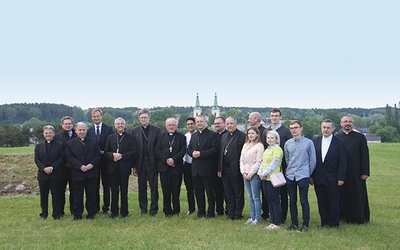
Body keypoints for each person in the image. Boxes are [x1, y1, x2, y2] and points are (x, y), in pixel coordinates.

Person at [311, 119, 347, 228]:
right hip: (318, 177)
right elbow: (312, 160)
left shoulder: (340, 143)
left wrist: (341, 177)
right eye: (324, 127)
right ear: (321, 128)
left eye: (328, 128)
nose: (326, 130)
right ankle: (324, 222)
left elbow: (343, 161)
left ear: (333, 129)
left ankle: (333, 223)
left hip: (333, 177)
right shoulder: (315, 141)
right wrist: (311, 176)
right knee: (321, 201)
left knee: (333, 201)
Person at [336, 115, 370, 224]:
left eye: (350, 122)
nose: (348, 124)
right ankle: (344, 216)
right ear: (341, 124)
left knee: (357, 194)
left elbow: (365, 155)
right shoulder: (337, 137)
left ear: (352, 124)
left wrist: (365, 172)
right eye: (345, 121)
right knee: (342, 194)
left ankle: (359, 217)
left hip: (356, 172)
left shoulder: (360, 137)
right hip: (342, 172)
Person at [284, 120, 316, 232]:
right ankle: (294, 223)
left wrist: (308, 173)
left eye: (296, 127)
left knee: (303, 200)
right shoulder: (288, 143)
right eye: (291, 128)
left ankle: (305, 224)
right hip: (291, 175)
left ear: (301, 128)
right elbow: (287, 159)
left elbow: (312, 160)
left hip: (303, 175)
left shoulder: (308, 143)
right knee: (292, 200)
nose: (294, 130)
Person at [65, 122, 100, 220]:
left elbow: (97, 156)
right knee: (77, 195)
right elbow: (70, 157)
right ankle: (77, 214)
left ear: (87, 131)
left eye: (84, 130)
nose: (82, 132)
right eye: (80, 130)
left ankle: (91, 214)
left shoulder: (93, 141)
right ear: (76, 131)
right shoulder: (69, 144)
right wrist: (80, 166)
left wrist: (91, 165)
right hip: (77, 172)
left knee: (91, 194)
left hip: (91, 172)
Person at [263, 108, 292, 224]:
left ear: (280, 117)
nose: (274, 117)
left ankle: (282, 218)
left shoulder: (285, 131)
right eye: (272, 115)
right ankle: (273, 218)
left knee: (282, 194)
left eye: (276, 116)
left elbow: (289, 149)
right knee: (271, 196)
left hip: (281, 167)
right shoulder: (266, 131)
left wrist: (287, 166)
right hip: (268, 168)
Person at [187, 115, 219, 219]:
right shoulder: (194, 135)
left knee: (210, 193)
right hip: (195, 169)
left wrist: (201, 154)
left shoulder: (212, 135)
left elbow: (214, 150)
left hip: (207, 169)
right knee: (198, 192)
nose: (199, 123)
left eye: (201, 121)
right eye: (198, 122)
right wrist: (192, 153)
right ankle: (201, 212)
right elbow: (189, 148)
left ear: (205, 122)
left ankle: (210, 213)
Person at [104, 117, 136, 219]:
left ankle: (124, 212)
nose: (120, 125)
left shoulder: (130, 137)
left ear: (125, 125)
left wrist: (121, 156)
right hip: (112, 168)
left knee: (124, 190)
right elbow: (106, 152)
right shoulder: (110, 137)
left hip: (124, 168)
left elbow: (133, 152)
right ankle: (114, 212)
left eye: (122, 123)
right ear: (115, 126)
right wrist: (113, 155)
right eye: (118, 124)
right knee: (114, 190)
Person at [131, 109, 161, 216]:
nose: (143, 119)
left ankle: (154, 210)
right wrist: (134, 165)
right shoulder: (135, 131)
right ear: (139, 118)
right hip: (140, 163)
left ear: (149, 118)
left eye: (145, 117)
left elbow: (159, 147)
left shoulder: (156, 130)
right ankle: (143, 210)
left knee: (154, 188)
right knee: (141, 187)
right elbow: (133, 149)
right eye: (142, 117)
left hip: (152, 162)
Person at [155, 118, 186, 218]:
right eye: (169, 125)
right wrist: (166, 160)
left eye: (173, 125)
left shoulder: (181, 137)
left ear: (176, 126)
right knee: (166, 191)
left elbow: (182, 150)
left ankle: (177, 211)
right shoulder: (160, 136)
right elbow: (157, 151)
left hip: (176, 167)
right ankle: (167, 211)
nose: (171, 127)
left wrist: (173, 160)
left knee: (176, 190)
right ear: (166, 126)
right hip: (164, 168)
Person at [86, 108, 114, 215]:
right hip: (94, 162)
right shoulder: (89, 131)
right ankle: (95, 207)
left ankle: (106, 207)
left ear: (101, 116)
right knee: (94, 185)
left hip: (106, 161)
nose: (96, 118)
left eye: (98, 116)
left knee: (106, 185)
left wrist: (105, 152)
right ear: (92, 117)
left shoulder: (108, 129)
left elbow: (112, 143)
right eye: (94, 116)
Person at [217, 117, 246, 220]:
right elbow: (221, 153)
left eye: (231, 123)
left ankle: (238, 214)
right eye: (227, 124)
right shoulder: (224, 136)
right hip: (225, 169)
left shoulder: (242, 136)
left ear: (236, 124)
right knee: (228, 193)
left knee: (238, 192)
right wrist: (219, 168)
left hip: (236, 169)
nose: (229, 125)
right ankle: (230, 213)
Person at [34, 125, 65, 220]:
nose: (48, 134)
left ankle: (56, 214)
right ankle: (44, 214)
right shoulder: (38, 146)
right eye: (46, 133)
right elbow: (37, 159)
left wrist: (52, 167)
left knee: (56, 195)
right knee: (44, 196)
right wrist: (44, 168)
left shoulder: (60, 145)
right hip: (43, 175)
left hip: (55, 174)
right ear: (43, 134)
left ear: (54, 134)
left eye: (50, 133)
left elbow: (62, 158)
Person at [259, 130, 284, 230]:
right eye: (268, 138)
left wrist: (265, 173)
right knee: (268, 200)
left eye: (272, 138)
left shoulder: (277, 149)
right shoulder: (267, 150)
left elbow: (274, 164)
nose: (269, 139)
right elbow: (263, 162)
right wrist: (260, 172)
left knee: (275, 201)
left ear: (276, 139)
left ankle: (277, 222)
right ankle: (272, 221)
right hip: (264, 178)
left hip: (272, 178)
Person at [240, 126, 264, 225]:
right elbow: (241, 160)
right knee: (250, 197)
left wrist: (250, 174)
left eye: (252, 133)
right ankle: (252, 216)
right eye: (249, 133)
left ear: (257, 135)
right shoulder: (246, 145)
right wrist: (243, 172)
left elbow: (258, 161)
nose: (250, 135)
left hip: (254, 174)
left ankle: (257, 218)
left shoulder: (259, 146)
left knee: (256, 197)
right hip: (245, 174)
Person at [247, 111, 269, 221]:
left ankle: (263, 215)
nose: (248, 120)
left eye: (250, 118)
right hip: (247, 172)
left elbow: (261, 157)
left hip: (260, 170)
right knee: (252, 196)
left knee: (261, 195)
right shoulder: (247, 143)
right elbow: (242, 158)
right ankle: (254, 216)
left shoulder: (264, 132)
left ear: (256, 119)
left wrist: (253, 172)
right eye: (249, 134)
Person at [54, 116, 76, 216]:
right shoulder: (57, 137)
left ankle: (74, 211)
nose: (67, 125)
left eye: (69, 123)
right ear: (62, 125)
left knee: (75, 191)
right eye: (65, 124)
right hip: (61, 169)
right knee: (60, 191)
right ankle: (59, 211)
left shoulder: (78, 135)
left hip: (74, 168)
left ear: (72, 124)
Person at [183, 117, 196, 216]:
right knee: (189, 189)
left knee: (200, 189)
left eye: (192, 123)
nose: (190, 125)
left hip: (198, 165)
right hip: (187, 165)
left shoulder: (199, 135)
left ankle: (202, 208)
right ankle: (191, 209)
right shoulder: (185, 137)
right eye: (188, 124)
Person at [214, 116, 227, 216]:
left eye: (219, 123)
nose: (217, 125)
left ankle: (229, 210)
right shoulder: (213, 135)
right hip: (214, 167)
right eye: (215, 123)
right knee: (217, 190)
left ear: (224, 124)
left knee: (227, 191)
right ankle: (219, 210)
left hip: (226, 167)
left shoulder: (228, 135)